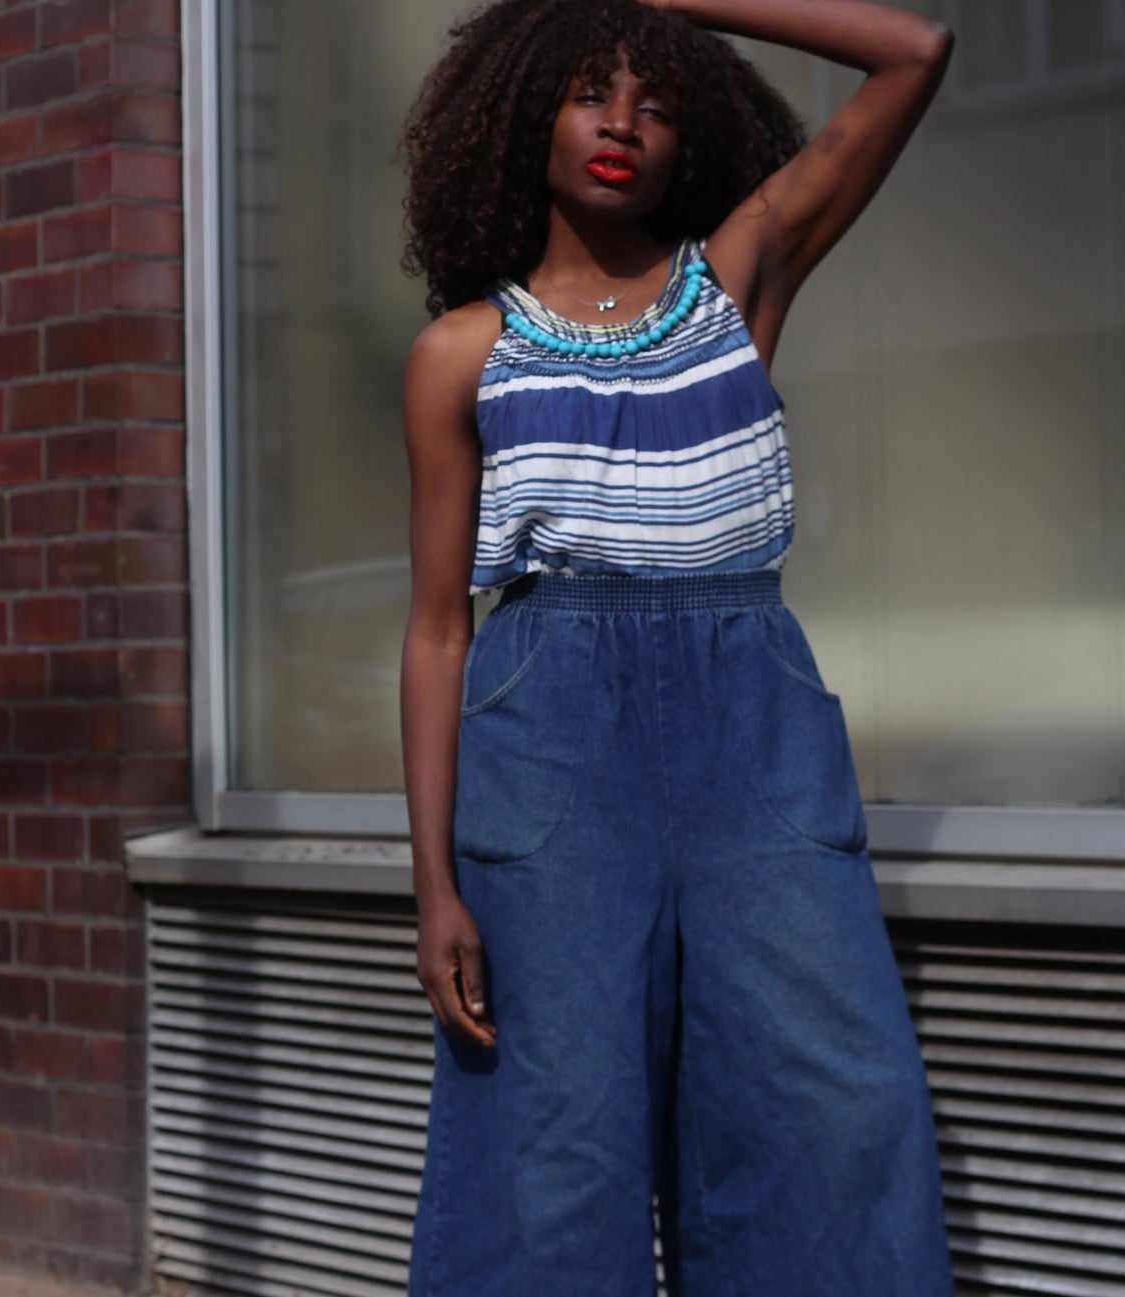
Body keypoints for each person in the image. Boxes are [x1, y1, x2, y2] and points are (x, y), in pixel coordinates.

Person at [393, 0, 955, 1291]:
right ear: (520, 106)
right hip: (548, 743)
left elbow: (913, 50)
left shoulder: (737, 277)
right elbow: (433, 631)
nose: (621, 123)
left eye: (653, 100)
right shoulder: (459, 357)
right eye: (589, 89)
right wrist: (431, 886)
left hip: (753, 732)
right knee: (551, 1139)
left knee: (827, 1107)